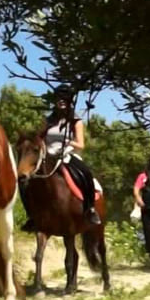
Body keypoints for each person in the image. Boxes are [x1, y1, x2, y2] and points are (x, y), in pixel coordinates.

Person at [41, 85, 101, 226]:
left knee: (85, 173)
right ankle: (31, 214)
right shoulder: (48, 121)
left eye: (64, 98)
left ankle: (90, 209)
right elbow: (41, 139)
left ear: (69, 101)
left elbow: (81, 144)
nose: (61, 101)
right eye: (59, 98)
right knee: (26, 179)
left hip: (67, 154)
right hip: (47, 156)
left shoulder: (75, 121)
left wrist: (68, 142)